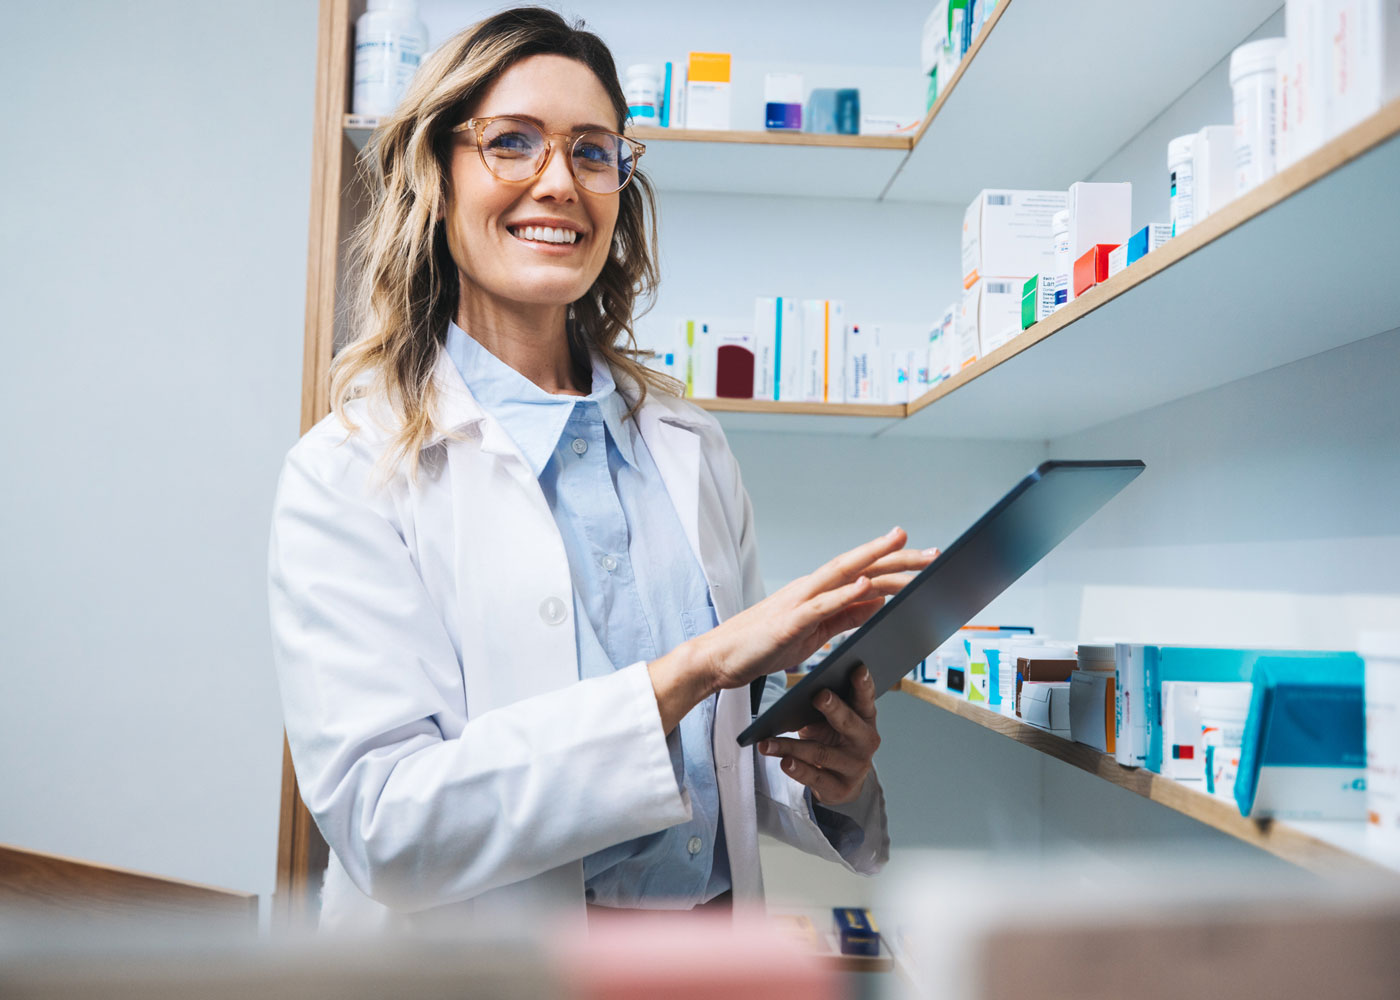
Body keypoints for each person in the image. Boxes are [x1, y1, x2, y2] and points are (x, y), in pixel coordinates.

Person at [268, 7, 934, 933]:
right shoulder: (349, 471)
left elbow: (719, 766)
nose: (558, 183)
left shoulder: (688, 444)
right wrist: (693, 669)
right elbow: (386, 824)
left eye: (591, 151)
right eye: (511, 142)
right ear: (437, 178)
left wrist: (828, 776)